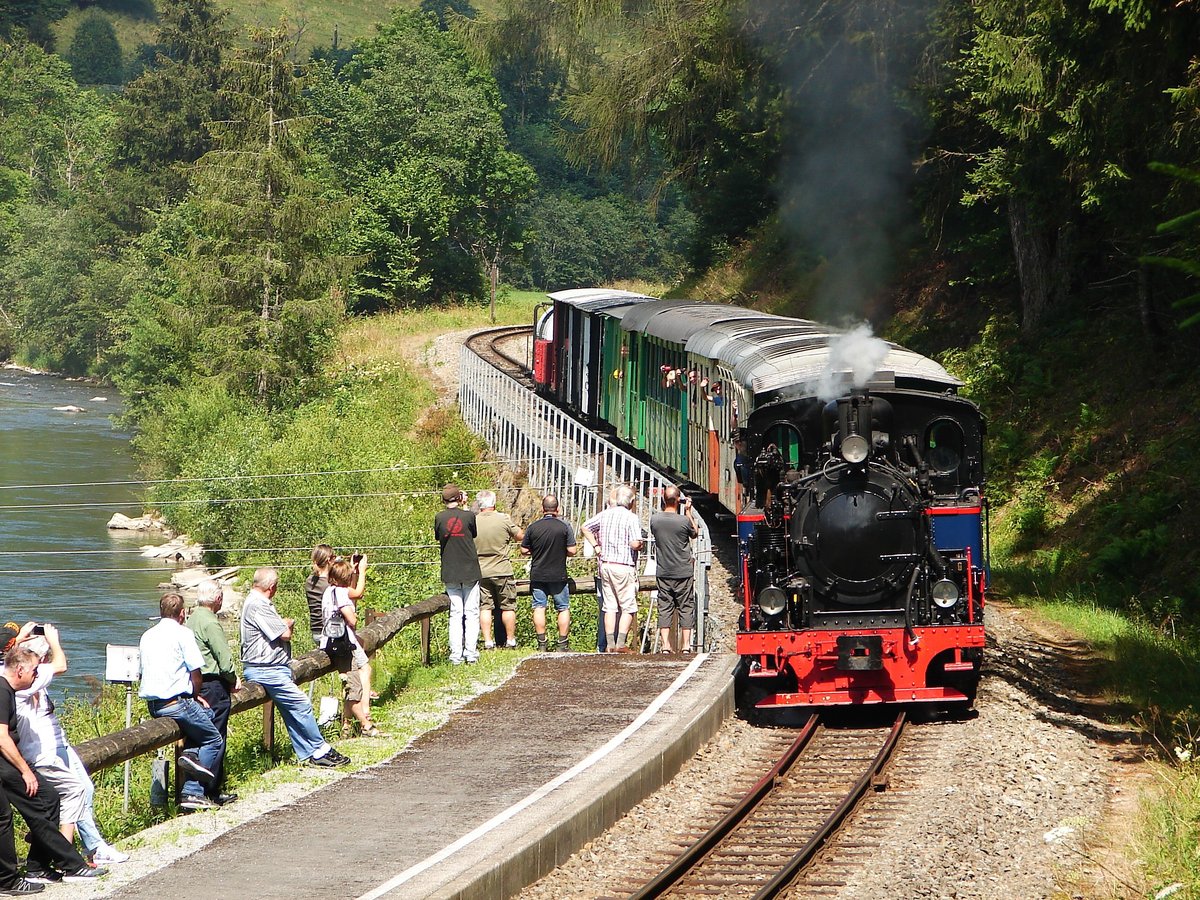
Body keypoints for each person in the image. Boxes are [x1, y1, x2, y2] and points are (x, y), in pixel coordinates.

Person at [12, 627, 127, 867]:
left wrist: (20, 640)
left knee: (83, 789)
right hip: (45, 751)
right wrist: (53, 641)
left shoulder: (30, 678)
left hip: (58, 743)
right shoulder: (27, 684)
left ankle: (68, 847)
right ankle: (78, 851)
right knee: (75, 791)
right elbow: (61, 664)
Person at [0, 639, 103, 884]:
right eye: (34, 671)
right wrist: (26, 771)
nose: (37, 676)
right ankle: (72, 865)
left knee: (49, 799)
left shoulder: (9, 690)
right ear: (20, 671)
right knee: (34, 809)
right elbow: (2, 738)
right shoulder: (3, 691)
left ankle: (37, 865)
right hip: (7, 763)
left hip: (11, 761)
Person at [240, 567, 350, 768]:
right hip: (264, 668)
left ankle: (309, 753)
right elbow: (284, 634)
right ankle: (320, 748)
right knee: (301, 704)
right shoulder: (258, 605)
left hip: (271, 666)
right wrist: (288, 623)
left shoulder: (257, 602)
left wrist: (282, 624)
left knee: (292, 710)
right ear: (272, 587)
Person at [139, 593, 223, 813]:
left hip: (155, 704)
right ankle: (193, 792)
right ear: (183, 613)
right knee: (214, 739)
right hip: (178, 701)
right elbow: (196, 672)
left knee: (207, 717)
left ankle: (191, 755)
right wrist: (195, 696)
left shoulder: (147, 635)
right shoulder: (183, 634)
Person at [186, 581, 240, 806]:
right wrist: (233, 679)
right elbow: (224, 660)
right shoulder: (210, 623)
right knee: (216, 737)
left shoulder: (191, 620)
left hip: (194, 684)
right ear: (218, 599)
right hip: (213, 685)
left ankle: (193, 789)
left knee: (197, 736)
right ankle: (207, 790)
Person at [321, 558, 382, 738]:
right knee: (353, 685)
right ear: (345, 578)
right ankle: (365, 723)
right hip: (344, 644)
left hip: (334, 641)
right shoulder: (340, 593)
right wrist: (361, 571)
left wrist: (354, 570)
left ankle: (347, 725)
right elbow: (352, 619)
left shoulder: (328, 591)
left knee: (363, 671)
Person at [582, 484, 644, 653]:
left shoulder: (605, 515)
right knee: (628, 606)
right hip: (624, 566)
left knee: (609, 606)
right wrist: (639, 545)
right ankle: (621, 644)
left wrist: (596, 546)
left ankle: (609, 644)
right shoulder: (631, 518)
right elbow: (634, 543)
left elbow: (585, 526)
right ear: (631, 502)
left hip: (606, 565)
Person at [520, 494, 578, 652]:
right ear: (557, 509)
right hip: (558, 574)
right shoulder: (564, 526)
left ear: (542, 509)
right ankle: (562, 644)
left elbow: (524, 550)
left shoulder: (533, 527)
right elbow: (572, 550)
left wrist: (535, 550)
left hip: (538, 573)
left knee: (539, 607)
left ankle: (542, 644)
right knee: (563, 608)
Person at [434, 483, 482, 665]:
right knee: (471, 612)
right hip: (470, 569)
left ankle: (455, 655)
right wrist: (466, 505)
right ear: (460, 498)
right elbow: (473, 533)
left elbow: (439, 537)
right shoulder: (469, 515)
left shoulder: (439, 517)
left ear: (443, 500)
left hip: (450, 569)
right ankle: (471, 652)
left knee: (455, 613)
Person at [649, 486, 700, 653]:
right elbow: (695, 533)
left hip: (663, 571)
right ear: (679, 500)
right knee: (686, 607)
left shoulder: (655, 520)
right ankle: (686, 646)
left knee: (664, 607)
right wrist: (688, 511)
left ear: (664, 499)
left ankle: (665, 646)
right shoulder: (684, 521)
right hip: (683, 571)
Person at [473, 490, 524, 650]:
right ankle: (510, 640)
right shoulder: (503, 519)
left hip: (481, 571)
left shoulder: (473, 521)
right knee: (507, 606)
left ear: (479, 504)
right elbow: (521, 536)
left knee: (485, 607)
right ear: (494, 503)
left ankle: (488, 641)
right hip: (502, 569)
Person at [305, 544, 335, 646]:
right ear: (328, 560)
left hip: (316, 631)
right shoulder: (329, 586)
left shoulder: (309, 581)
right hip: (329, 632)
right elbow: (356, 593)